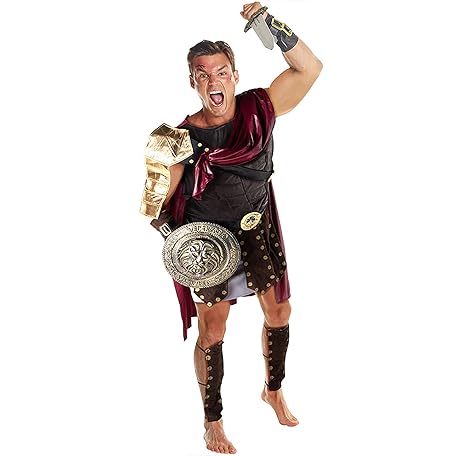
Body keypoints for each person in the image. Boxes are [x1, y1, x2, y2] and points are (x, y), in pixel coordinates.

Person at [140, 2, 322, 453]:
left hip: (258, 229)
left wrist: (268, 24)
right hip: (209, 242)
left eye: (221, 72)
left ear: (235, 75)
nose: (213, 81)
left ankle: (273, 390)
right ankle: (212, 420)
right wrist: (185, 245)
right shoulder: (176, 140)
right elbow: (154, 207)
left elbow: (310, 69)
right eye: (203, 75)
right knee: (213, 333)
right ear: (193, 82)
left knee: (279, 313)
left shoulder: (259, 110)